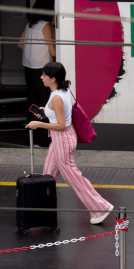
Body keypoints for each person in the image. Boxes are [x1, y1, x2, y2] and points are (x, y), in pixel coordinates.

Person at [25, 62, 114, 225]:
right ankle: (42, 211)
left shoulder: (57, 97)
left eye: (44, 75)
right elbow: (63, 115)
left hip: (62, 139)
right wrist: (46, 113)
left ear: (52, 78)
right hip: (62, 138)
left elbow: (62, 125)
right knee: (48, 174)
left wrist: (39, 124)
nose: (41, 77)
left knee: (73, 177)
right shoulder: (61, 91)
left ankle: (99, 207)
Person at [20, 0, 57, 115]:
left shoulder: (30, 24)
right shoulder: (45, 25)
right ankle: (44, 132)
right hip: (42, 70)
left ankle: (32, 130)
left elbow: (20, 44)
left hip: (28, 68)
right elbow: (53, 52)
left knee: (33, 101)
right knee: (45, 102)